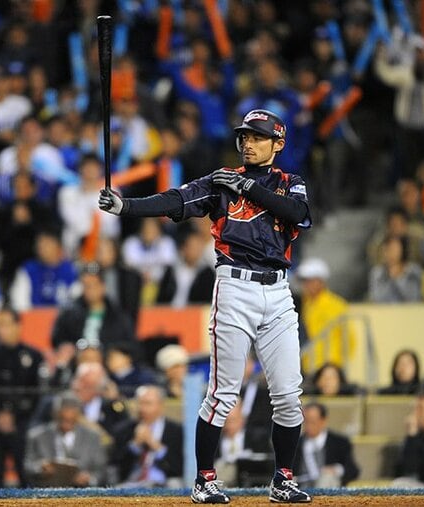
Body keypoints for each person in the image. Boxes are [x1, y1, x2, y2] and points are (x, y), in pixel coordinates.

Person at [100, 108, 312, 503]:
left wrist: (246, 188)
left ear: (277, 144)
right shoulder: (221, 182)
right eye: (245, 136)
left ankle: (283, 478)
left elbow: (298, 215)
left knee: (287, 394)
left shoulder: (289, 182)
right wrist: (126, 207)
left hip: (280, 293)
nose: (248, 142)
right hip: (234, 289)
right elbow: (175, 200)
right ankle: (204, 480)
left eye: (257, 137)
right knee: (222, 393)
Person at [0, 307, 44, 488]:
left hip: (23, 426)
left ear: (18, 326)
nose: (1, 329)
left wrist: (16, 415)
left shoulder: (33, 356)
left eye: (5, 324)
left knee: (28, 477)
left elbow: (37, 393)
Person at [24, 393, 107, 487]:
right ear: (55, 415)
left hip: (82, 495)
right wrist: (40, 468)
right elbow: (28, 466)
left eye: (71, 420)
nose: (66, 425)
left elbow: (101, 470)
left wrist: (89, 479)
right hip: (47, 494)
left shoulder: (93, 437)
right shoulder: (37, 436)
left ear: (78, 417)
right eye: (62, 419)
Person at [111, 385, 184, 487]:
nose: (142, 408)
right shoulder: (124, 430)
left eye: (148, 404)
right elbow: (117, 466)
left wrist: (156, 446)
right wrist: (134, 445)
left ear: (161, 406)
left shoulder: (176, 431)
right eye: (140, 403)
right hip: (131, 482)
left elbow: (179, 467)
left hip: (165, 482)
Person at [297, 257, 353, 373]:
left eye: (310, 280)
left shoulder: (336, 304)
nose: (306, 285)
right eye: (304, 281)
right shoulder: (306, 304)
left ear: (321, 281)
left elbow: (349, 339)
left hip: (331, 368)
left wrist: (337, 365)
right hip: (310, 366)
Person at [293, 402, 359, 488]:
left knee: (327, 478)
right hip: (301, 490)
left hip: (328, 489)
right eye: (306, 421)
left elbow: (353, 470)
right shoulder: (295, 444)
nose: (308, 426)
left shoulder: (339, 442)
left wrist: (336, 470)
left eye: (312, 421)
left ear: (323, 421)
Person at [367, 235, 423, 303]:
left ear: (402, 250)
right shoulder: (377, 272)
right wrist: (390, 278)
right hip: (385, 312)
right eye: (388, 249)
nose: (392, 252)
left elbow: (415, 298)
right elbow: (376, 298)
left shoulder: (413, 270)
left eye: (395, 248)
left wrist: (399, 278)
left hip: (409, 312)